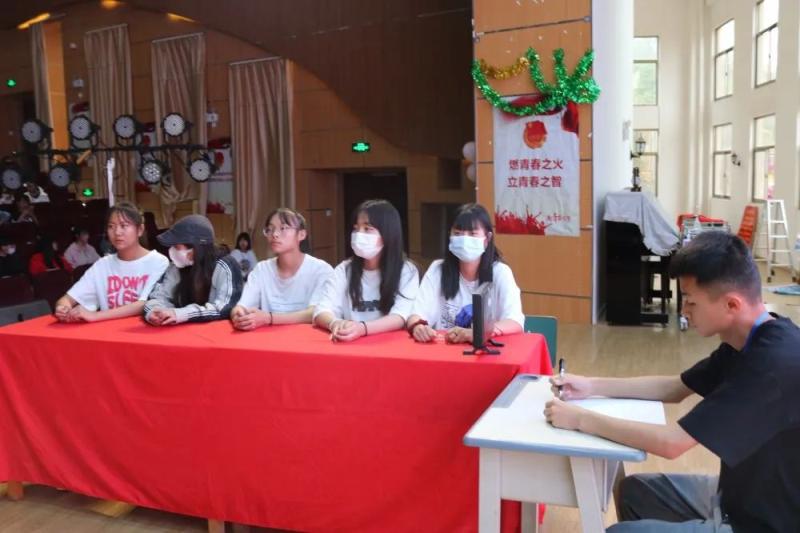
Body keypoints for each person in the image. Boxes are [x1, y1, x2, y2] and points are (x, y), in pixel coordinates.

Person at [545, 232, 800, 533]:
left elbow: (672, 443)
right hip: (738, 496)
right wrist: (591, 386)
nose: (684, 311)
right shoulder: (747, 339)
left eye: (690, 302)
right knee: (634, 492)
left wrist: (580, 420)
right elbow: (675, 387)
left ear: (732, 304)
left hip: (764, 522)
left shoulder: (773, 364)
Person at [406, 203, 524, 344]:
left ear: (487, 239)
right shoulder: (437, 270)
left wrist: (479, 333)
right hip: (445, 352)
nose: (464, 239)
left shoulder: (500, 272)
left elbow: (515, 321)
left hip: (486, 353)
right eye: (457, 233)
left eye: (473, 234)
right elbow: (416, 314)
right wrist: (418, 327)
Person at [313, 199, 419, 342]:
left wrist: (362, 328)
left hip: (390, 344)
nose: (359, 234)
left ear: (388, 234)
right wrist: (335, 323)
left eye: (367, 229)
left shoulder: (406, 271)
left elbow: (400, 316)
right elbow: (321, 310)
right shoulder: (345, 269)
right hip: (351, 343)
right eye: (356, 228)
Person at [54, 202, 168, 323]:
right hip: (107, 331)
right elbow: (67, 299)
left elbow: (145, 304)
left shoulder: (158, 262)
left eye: (124, 226)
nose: (117, 232)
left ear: (140, 230)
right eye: (111, 226)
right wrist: (63, 308)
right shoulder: (102, 265)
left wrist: (95, 316)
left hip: (142, 330)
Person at [230, 208, 333, 330]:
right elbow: (243, 305)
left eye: (283, 228)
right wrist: (237, 314)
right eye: (270, 229)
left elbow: (315, 313)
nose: (275, 234)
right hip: (269, 339)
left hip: (308, 339)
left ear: (301, 234)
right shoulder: (262, 270)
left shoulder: (321, 270)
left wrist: (269, 318)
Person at [144, 214, 243, 325]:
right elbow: (158, 296)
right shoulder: (177, 266)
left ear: (196, 248)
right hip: (179, 331)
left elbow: (224, 307)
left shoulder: (225, 265)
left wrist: (180, 314)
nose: (171, 251)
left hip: (216, 332)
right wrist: (155, 311)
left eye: (176, 247)